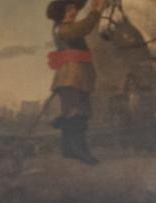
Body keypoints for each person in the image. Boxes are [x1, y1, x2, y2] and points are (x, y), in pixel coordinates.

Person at [46, 0, 106, 165]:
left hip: (76, 77)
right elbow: (84, 27)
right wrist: (96, 11)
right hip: (71, 78)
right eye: (69, 9)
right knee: (77, 114)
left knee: (73, 113)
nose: (73, 12)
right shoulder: (64, 29)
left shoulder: (65, 27)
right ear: (61, 13)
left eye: (74, 8)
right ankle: (82, 152)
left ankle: (68, 149)